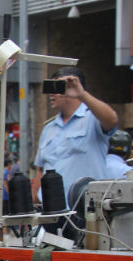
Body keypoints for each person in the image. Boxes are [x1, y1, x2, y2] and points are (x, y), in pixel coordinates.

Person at [32, 67, 118, 206]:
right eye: (50, 88)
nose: (51, 94)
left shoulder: (92, 120)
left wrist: (82, 94)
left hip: (84, 212)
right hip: (50, 214)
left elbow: (112, 120)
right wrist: (32, 207)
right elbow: (40, 171)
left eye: (58, 88)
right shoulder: (49, 128)